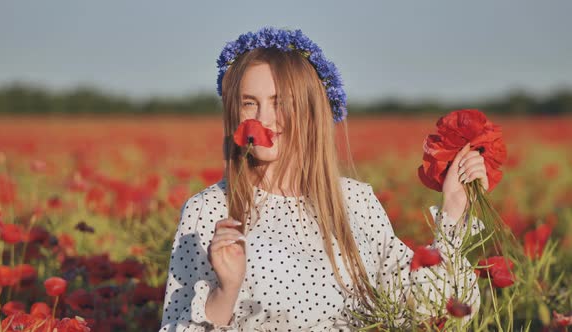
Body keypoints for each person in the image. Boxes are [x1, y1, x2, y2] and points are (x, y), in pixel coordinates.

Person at [159, 27, 488, 331]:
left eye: (280, 102)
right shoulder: (209, 210)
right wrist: (225, 292)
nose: (264, 119)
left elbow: (427, 308)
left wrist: (454, 208)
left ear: (310, 110)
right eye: (249, 103)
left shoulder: (355, 200)